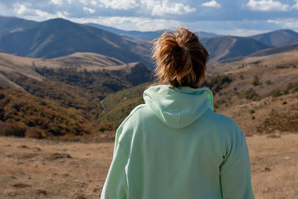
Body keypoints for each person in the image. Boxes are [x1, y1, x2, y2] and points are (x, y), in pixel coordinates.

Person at [100, 28, 254, 199]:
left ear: (163, 67)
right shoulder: (227, 131)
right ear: (202, 69)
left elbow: (113, 193)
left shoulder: (135, 123)